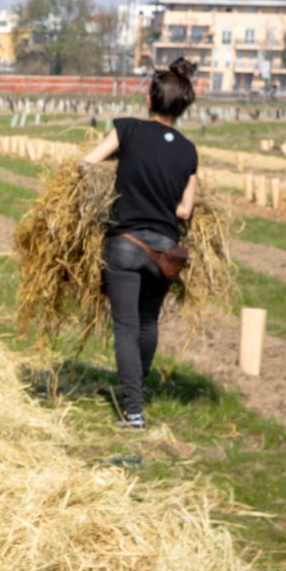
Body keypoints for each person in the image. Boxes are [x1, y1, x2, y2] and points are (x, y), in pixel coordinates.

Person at [79, 56, 200, 431]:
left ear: (150, 100)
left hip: (126, 244)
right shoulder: (188, 151)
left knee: (127, 328)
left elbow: (87, 163)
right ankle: (137, 394)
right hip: (165, 251)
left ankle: (133, 411)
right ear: (182, 108)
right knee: (148, 323)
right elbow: (184, 210)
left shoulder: (127, 130)